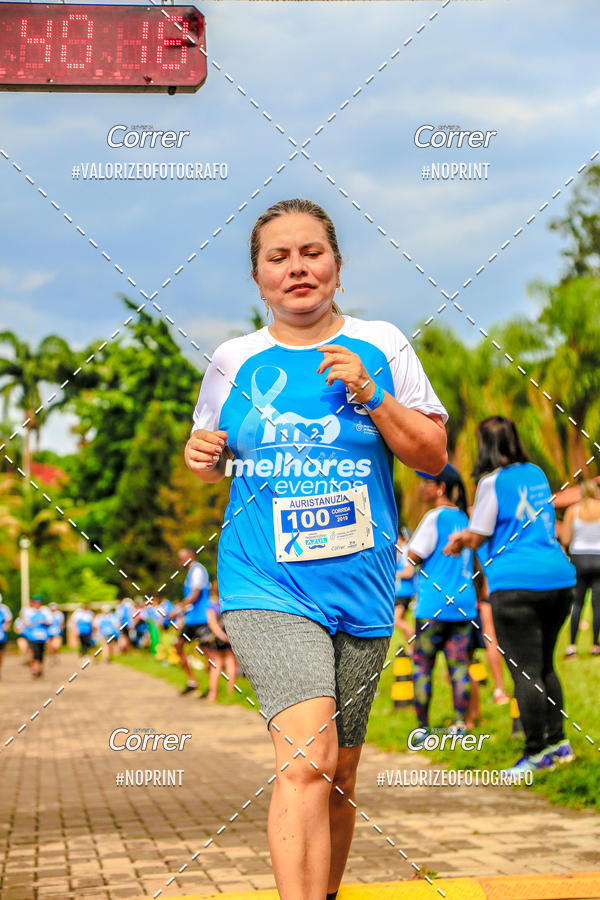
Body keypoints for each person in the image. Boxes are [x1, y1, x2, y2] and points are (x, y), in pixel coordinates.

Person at [184, 198, 448, 900]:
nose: (297, 267)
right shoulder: (233, 360)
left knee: (341, 772)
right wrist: (200, 455)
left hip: (362, 585)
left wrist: (370, 394)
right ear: (258, 278)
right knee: (308, 759)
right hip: (265, 582)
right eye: (279, 257)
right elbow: (210, 452)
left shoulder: (381, 344)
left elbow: (432, 456)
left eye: (311, 252)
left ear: (337, 265)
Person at [444, 416, 576, 774]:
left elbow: (479, 534)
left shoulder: (492, 482)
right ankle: (559, 743)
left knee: (525, 671)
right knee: (545, 665)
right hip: (559, 578)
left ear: (484, 446)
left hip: (516, 584)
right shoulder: (536, 473)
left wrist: (459, 541)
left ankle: (536, 753)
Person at [406, 465, 477, 741]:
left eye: (426, 482)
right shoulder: (464, 518)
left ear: (441, 488)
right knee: (459, 666)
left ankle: (422, 729)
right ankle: (459, 724)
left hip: (432, 606)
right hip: (463, 604)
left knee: (422, 666)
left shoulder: (434, 517)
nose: (422, 487)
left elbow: (413, 556)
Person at [561, 478, 600, 658]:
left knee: (577, 603)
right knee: (597, 605)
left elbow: (566, 538)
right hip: (598, 558)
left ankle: (572, 646)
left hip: (579, 559)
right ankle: (595, 645)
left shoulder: (573, 510)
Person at [175, 548, 212, 695]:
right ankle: (192, 681)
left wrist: (178, 609)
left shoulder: (197, 570)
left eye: (182, 558)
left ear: (190, 557)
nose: (180, 562)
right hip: (192, 619)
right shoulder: (191, 572)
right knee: (178, 645)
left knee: (207, 651)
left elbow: (195, 595)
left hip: (201, 618)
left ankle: (211, 686)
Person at [204, 590, 237, 702]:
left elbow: (212, 625)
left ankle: (212, 694)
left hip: (218, 639)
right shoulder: (230, 605)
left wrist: (222, 637)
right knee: (230, 662)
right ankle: (231, 693)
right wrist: (229, 638)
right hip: (229, 637)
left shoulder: (212, 607)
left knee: (216, 664)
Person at [21, 595, 52, 678]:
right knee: (34, 653)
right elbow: (24, 622)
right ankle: (34, 669)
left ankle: (39, 668)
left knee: (40, 654)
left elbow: (50, 621)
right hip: (32, 637)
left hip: (42, 637)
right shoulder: (28, 611)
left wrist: (43, 621)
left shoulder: (45, 611)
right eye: (35, 602)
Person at [394, 533, 416, 644]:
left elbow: (409, 572)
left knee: (395, 620)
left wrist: (394, 574)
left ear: (402, 538)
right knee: (403, 621)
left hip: (405, 592)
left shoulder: (407, 552)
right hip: (398, 592)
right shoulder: (398, 553)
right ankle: (410, 650)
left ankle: (416, 634)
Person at [0, 595, 12, 677]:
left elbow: (9, 619)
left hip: (1, 636)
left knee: (0, 654)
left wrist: (6, 626)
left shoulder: (4, 609)